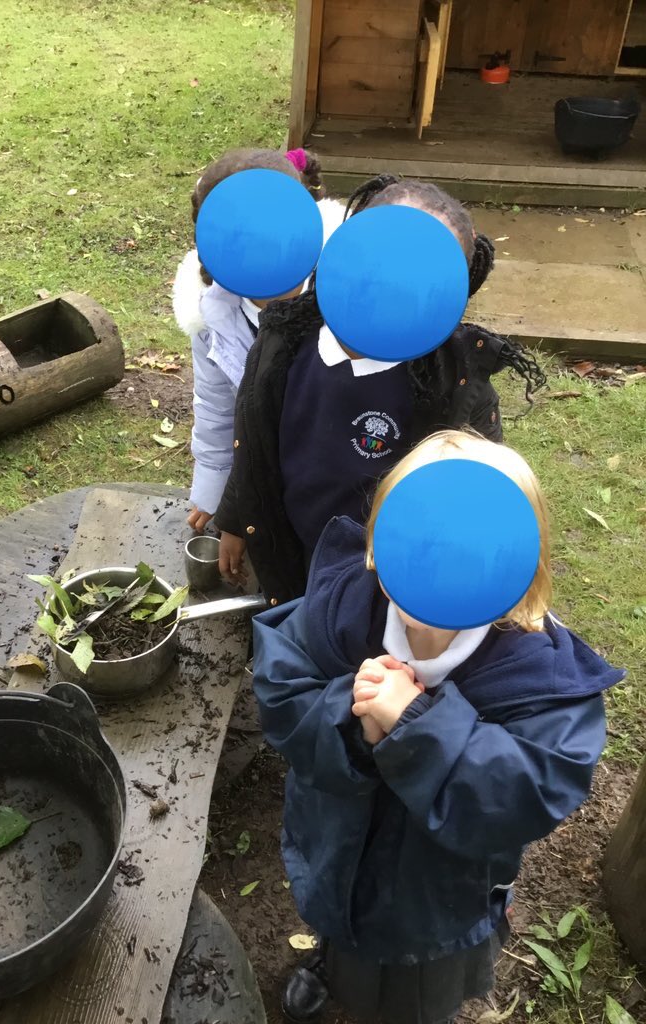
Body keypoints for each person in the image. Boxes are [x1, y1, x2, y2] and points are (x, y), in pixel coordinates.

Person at [252, 429, 624, 1024]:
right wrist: (353, 722)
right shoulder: (341, 608)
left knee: (415, 988)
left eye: (471, 551)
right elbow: (280, 687)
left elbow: (529, 791)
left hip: (433, 894)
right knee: (338, 921)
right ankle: (332, 961)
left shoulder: (539, 675)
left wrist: (413, 725)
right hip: (335, 842)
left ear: (519, 565)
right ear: (378, 544)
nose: (439, 565)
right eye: (418, 539)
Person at [213, 175, 546, 606]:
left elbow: (467, 515)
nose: (389, 281)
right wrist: (236, 520)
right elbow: (253, 439)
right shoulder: (284, 337)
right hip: (288, 553)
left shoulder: (457, 389)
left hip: (379, 583)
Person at [172, 147, 345, 533]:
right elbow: (216, 406)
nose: (264, 248)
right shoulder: (211, 316)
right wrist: (216, 489)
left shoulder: (345, 289)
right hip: (266, 453)